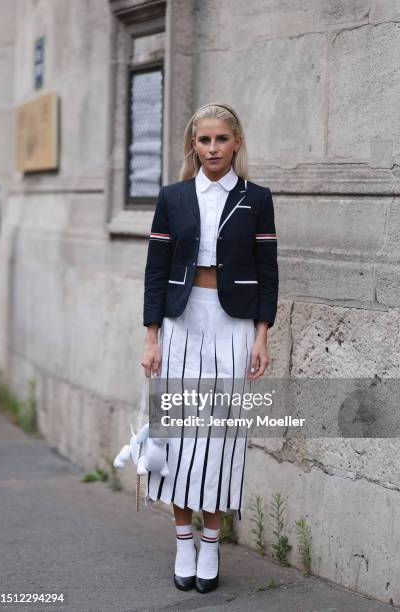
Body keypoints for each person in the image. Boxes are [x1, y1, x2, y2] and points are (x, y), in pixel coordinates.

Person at [141, 102, 278, 593]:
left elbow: (267, 271)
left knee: (221, 434)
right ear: (192, 145)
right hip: (181, 320)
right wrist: (151, 336)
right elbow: (156, 270)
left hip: (233, 323)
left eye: (222, 139)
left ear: (236, 143)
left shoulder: (257, 198)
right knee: (176, 429)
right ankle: (183, 540)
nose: (213, 149)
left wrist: (262, 334)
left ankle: (212, 543)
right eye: (204, 140)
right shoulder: (173, 197)